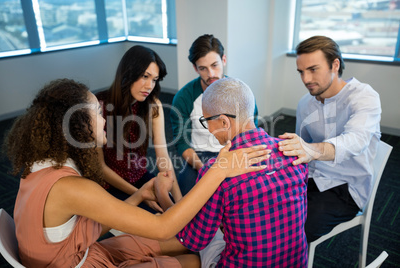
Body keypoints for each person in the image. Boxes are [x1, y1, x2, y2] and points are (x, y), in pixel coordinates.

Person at [4, 78, 270, 267]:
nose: (104, 118)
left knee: (188, 247)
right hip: (79, 260)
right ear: (77, 125)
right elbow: (163, 226)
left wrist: (142, 194)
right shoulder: (70, 188)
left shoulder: (39, 167)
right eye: (97, 112)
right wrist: (220, 170)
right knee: (190, 258)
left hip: (72, 251)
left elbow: (87, 224)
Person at [161, 77, 308, 267]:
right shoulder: (293, 151)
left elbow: (193, 239)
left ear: (223, 122)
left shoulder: (219, 171)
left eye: (207, 121)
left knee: (207, 243)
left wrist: (163, 194)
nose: (209, 130)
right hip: (296, 262)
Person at [278, 35, 382, 243]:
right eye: (301, 72)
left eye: (313, 69)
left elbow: (355, 140)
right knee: (261, 210)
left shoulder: (364, 97)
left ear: (335, 64)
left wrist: (311, 150)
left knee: (293, 233)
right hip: (310, 177)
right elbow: (301, 147)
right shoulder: (305, 104)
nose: (306, 79)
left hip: (346, 188)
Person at [171, 34, 259, 195]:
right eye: (203, 68)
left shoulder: (241, 93)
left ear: (224, 60)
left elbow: (251, 132)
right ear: (195, 68)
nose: (211, 73)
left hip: (235, 151)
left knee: (248, 196)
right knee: (187, 199)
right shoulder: (183, 97)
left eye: (215, 65)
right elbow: (181, 142)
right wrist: (205, 169)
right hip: (199, 156)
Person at [96, 45, 181, 211]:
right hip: (109, 184)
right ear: (128, 74)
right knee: (147, 224)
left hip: (140, 177)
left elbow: (162, 155)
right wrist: (140, 195)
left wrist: (179, 201)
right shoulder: (99, 105)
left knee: (171, 214)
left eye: (154, 79)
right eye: (145, 76)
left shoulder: (153, 105)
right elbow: (100, 167)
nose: (150, 86)